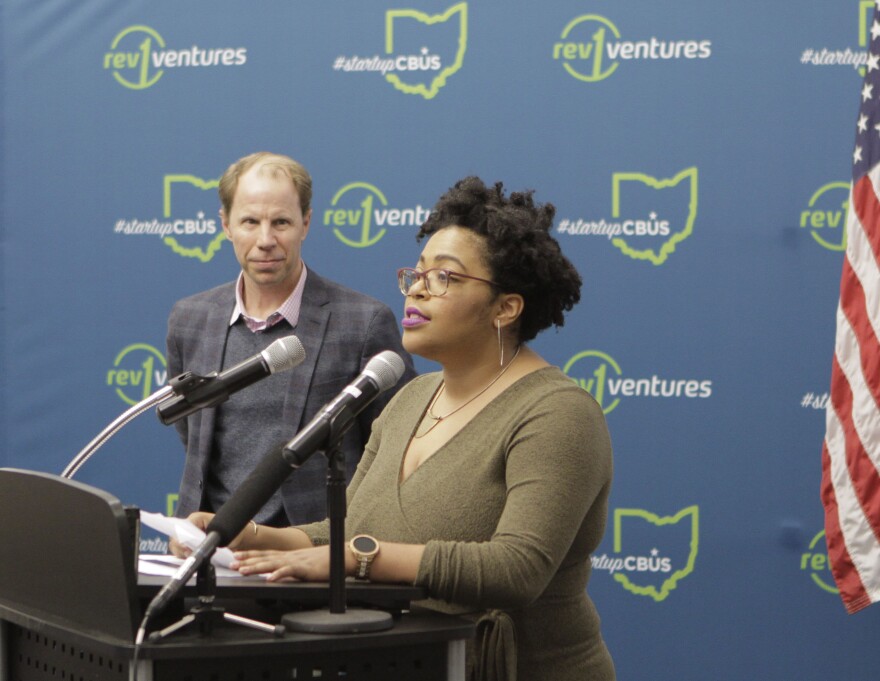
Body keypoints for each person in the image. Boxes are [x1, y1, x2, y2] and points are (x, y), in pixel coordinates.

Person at [180, 176, 615, 680]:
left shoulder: (557, 413)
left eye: (445, 278)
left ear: (505, 308)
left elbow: (516, 570)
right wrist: (244, 536)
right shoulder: (408, 397)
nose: (417, 290)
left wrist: (355, 560)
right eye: (417, 274)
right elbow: (351, 528)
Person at [167, 151, 416, 527]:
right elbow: (192, 432)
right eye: (250, 221)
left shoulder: (364, 322)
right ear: (226, 225)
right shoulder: (190, 319)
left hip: (311, 556)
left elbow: (395, 450)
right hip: (209, 547)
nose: (265, 239)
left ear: (306, 223)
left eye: (280, 222)